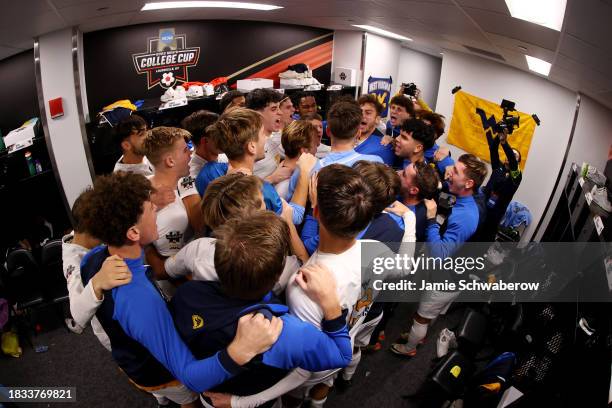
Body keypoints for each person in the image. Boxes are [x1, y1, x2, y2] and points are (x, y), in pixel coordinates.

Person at [79, 172, 282, 407]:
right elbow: (190, 376)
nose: (157, 209)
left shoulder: (93, 258)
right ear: (133, 233)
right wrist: (239, 350)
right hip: (157, 372)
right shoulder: (140, 302)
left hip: (128, 353)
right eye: (150, 209)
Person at [171, 212, 352, 400]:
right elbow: (342, 355)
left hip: (210, 392)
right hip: (253, 396)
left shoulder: (187, 293)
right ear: (278, 275)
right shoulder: (284, 332)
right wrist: (331, 304)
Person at [391, 154, 487, 358]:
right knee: (428, 314)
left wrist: (432, 219)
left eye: (456, 171)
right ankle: (419, 334)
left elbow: (440, 255)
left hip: (449, 279)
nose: (450, 172)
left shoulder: (466, 217)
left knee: (421, 317)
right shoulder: (463, 195)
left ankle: (410, 348)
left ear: (469, 183)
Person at [195, 108, 314, 225]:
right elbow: (295, 217)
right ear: (251, 146)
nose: (266, 139)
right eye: (263, 134)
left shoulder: (208, 171)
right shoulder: (262, 191)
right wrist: (305, 171)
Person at [62, 189, 131, 351]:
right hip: (115, 333)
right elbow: (77, 314)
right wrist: (98, 281)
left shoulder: (81, 231)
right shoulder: (74, 263)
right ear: (90, 229)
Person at [286, 100, 383, 201]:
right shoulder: (375, 164)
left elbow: (293, 207)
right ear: (358, 133)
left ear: (327, 131)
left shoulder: (304, 169)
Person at [143, 127, 203, 259]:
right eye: (185, 150)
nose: (191, 153)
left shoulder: (141, 186)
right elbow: (170, 268)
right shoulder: (172, 217)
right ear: (170, 161)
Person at [477, 128, 523, 241]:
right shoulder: (498, 167)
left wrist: (504, 143)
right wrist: (499, 137)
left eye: (514, 155)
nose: (510, 156)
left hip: (494, 215)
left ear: (518, 162)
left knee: (482, 241)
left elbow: (512, 162)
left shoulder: (517, 175)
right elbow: (493, 149)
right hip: (482, 206)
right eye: (509, 153)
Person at [245, 88, 287, 180]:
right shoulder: (245, 145)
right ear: (257, 115)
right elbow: (240, 188)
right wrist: (271, 179)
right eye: (273, 109)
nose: (280, 112)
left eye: (279, 107)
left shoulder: (276, 138)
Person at [398, 161, 441, 242]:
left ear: (413, 190)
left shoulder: (408, 222)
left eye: (404, 174)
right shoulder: (400, 193)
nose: (398, 172)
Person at [275, 120, 317, 200]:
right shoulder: (284, 187)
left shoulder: (280, 177)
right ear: (304, 151)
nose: (316, 150)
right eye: (315, 145)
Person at [180, 110, 227, 178]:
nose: (226, 137)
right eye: (220, 134)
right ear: (205, 141)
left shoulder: (227, 154)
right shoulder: (192, 175)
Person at [354, 94, 394, 166]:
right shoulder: (347, 136)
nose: (362, 116)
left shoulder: (383, 148)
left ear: (377, 119)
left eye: (368, 113)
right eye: (359, 112)